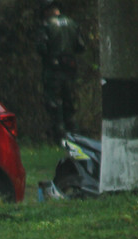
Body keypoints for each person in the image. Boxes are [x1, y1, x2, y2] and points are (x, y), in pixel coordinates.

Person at [36, 0, 85, 142]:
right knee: (70, 104)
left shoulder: (46, 25)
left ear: (46, 10)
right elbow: (81, 46)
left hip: (53, 71)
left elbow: (41, 48)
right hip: (70, 70)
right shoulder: (72, 23)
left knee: (55, 105)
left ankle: (60, 137)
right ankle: (75, 136)